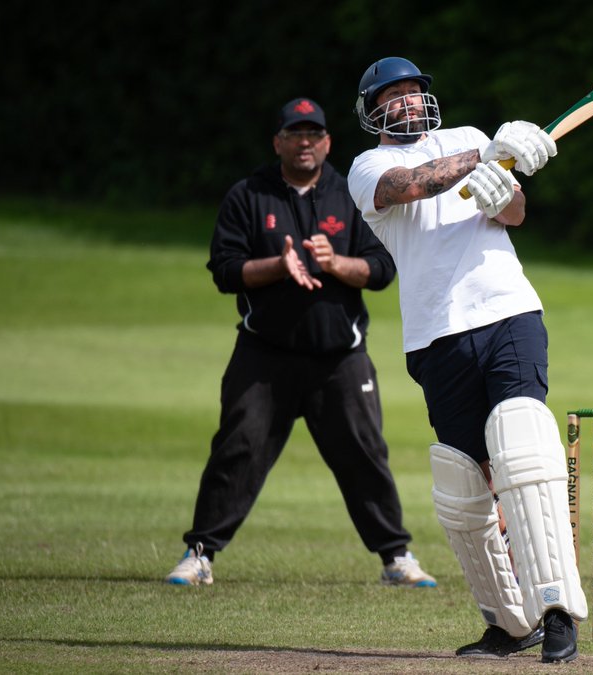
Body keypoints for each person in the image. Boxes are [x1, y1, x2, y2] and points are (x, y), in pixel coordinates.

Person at [347, 57, 586, 663]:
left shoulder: (472, 139)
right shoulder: (369, 166)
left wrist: (503, 188)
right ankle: (509, 623)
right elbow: (411, 186)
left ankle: (557, 610)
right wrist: (485, 161)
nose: (405, 103)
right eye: (392, 97)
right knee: (464, 480)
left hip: (508, 310)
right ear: (374, 109)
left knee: (523, 445)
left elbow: (514, 215)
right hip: (436, 335)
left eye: (412, 93)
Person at [165, 97, 436, 590]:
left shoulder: (350, 192)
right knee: (238, 446)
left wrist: (334, 265)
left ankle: (396, 557)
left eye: (314, 134)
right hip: (264, 353)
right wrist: (278, 267)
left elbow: (381, 270)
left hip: (340, 356)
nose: (305, 142)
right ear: (279, 142)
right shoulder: (249, 194)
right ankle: (200, 553)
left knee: (364, 452)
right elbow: (225, 271)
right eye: (295, 134)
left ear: (327, 142)